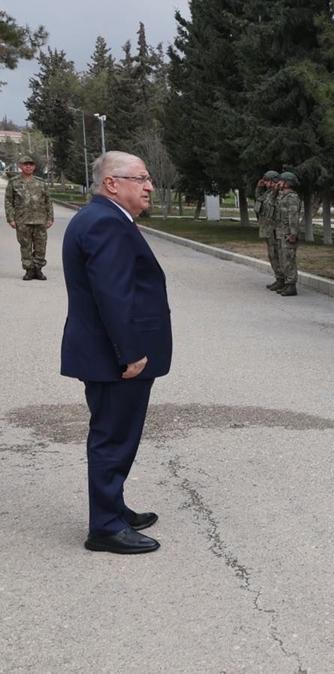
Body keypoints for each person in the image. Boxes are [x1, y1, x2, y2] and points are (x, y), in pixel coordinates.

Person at [60, 150, 172, 554]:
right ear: (112, 183)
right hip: (114, 357)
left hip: (107, 351)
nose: (149, 186)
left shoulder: (101, 217)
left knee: (117, 434)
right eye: (141, 178)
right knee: (112, 438)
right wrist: (131, 352)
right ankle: (105, 527)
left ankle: (113, 508)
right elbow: (113, 295)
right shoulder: (106, 223)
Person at [5, 154, 54, 280]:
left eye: (31, 165)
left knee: (41, 246)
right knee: (25, 246)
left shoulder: (41, 183)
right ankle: (29, 270)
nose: (28, 167)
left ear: (34, 167)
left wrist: (50, 218)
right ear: (21, 166)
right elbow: (8, 201)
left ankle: (38, 269)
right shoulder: (14, 182)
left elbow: (48, 201)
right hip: (22, 220)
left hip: (40, 219)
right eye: (25, 165)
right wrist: (10, 218)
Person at [274, 172, 302, 296]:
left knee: (288, 260)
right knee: (283, 259)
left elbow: (293, 216)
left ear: (287, 183)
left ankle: (291, 285)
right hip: (281, 233)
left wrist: (293, 234)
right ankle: (286, 283)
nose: (278, 183)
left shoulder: (292, 197)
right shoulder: (282, 196)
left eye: (281, 181)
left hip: (288, 234)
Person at [256, 170, 282, 291]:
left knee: (277, 255)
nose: (265, 183)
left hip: (275, 230)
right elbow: (259, 199)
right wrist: (259, 188)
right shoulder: (268, 193)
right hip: (268, 229)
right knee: (272, 255)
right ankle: (279, 278)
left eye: (267, 181)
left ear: (273, 181)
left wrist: (276, 189)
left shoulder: (278, 193)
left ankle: (282, 279)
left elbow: (273, 202)